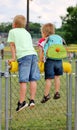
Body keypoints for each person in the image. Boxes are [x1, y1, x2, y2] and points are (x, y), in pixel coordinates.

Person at [7, 15, 40, 112]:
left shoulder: (12, 31)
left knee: (23, 80)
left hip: (24, 56)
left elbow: (12, 45)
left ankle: (22, 102)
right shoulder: (27, 32)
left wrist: (13, 58)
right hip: (34, 55)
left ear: (14, 24)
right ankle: (32, 100)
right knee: (33, 79)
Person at [38, 23, 64, 103]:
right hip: (59, 60)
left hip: (49, 61)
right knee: (57, 77)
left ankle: (46, 95)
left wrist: (41, 60)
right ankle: (57, 92)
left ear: (44, 33)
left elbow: (41, 52)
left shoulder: (44, 40)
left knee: (48, 79)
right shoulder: (59, 38)